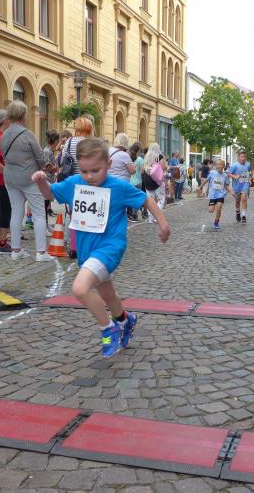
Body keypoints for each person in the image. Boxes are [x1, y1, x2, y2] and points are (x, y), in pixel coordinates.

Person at [33, 138, 170, 357]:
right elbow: (50, 193)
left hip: (110, 247)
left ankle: (108, 328)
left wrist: (163, 224)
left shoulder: (118, 186)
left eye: (95, 170)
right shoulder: (74, 183)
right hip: (87, 250)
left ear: (108, 164)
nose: (89, 176)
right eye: (84, 171)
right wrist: (41, 181)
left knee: (80, 288)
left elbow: (147, 201)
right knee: (107, 294)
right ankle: (125, 319)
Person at [0, 101, 55, 262]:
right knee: (39, 213)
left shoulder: (4, 134)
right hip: (29, 178)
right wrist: (48, 166)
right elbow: (41, 157)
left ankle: (16, 250)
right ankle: (41, 252)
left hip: (10, 178)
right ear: (23, 116)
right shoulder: (27, 134)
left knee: (16, 212)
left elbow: (4, 156)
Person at [59, 117, 95, 258]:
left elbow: (62, 160)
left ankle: (73, 248)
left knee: (73, 215)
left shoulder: (69, 141)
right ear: (89, 128)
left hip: (71, 182)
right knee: (86, 215)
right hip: (86, 182)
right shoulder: (90, 143)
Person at [0, 110, 12, 254]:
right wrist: (9, 173)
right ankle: (2, 243)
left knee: (0, 211)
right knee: (5, 211)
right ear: (5, 121)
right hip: (2, 180)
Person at [202, 159, 232, 230]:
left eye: (220, 164)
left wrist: (232, 192)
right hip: (213, 194)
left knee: (219, 207)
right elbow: (207, 180)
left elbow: (226, 185)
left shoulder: (225, 175)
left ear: (223, 166)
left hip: (220, 194)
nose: (218, 166)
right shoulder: (212, 173)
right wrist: (200, 187)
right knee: (211, 210)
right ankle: (213, 207)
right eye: (217, 164)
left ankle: (216, 222)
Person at [142, 143, 167, 223]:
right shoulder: (160, 157)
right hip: (157, 180)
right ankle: (157, 217)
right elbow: (163, 167)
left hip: (147, 180)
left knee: (150, 200)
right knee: (161, 199)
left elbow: (142, 170)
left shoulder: (146, 157)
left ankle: (150, 219)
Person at [227, 150, 251, 223]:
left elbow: (249, 172)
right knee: (237, 201)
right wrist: (234, 176)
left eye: (244, 157)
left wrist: (250, 179)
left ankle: (243, 215)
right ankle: (237, 212)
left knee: (244, 198)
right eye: (241, 157)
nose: (243, 158)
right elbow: (228, 173)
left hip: (245, 184)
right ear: (238, 157)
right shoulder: (234, 165)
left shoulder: (248, 164)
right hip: (237, 186)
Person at [128, 142, 144, 222]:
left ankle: (129, 214)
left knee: (129, 198)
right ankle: (134, 215)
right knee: (137, 199)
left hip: (129, 181)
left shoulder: (128, 158)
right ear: (138, 151)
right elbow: (142, 171)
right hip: (138, 182)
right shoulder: (140, 160)